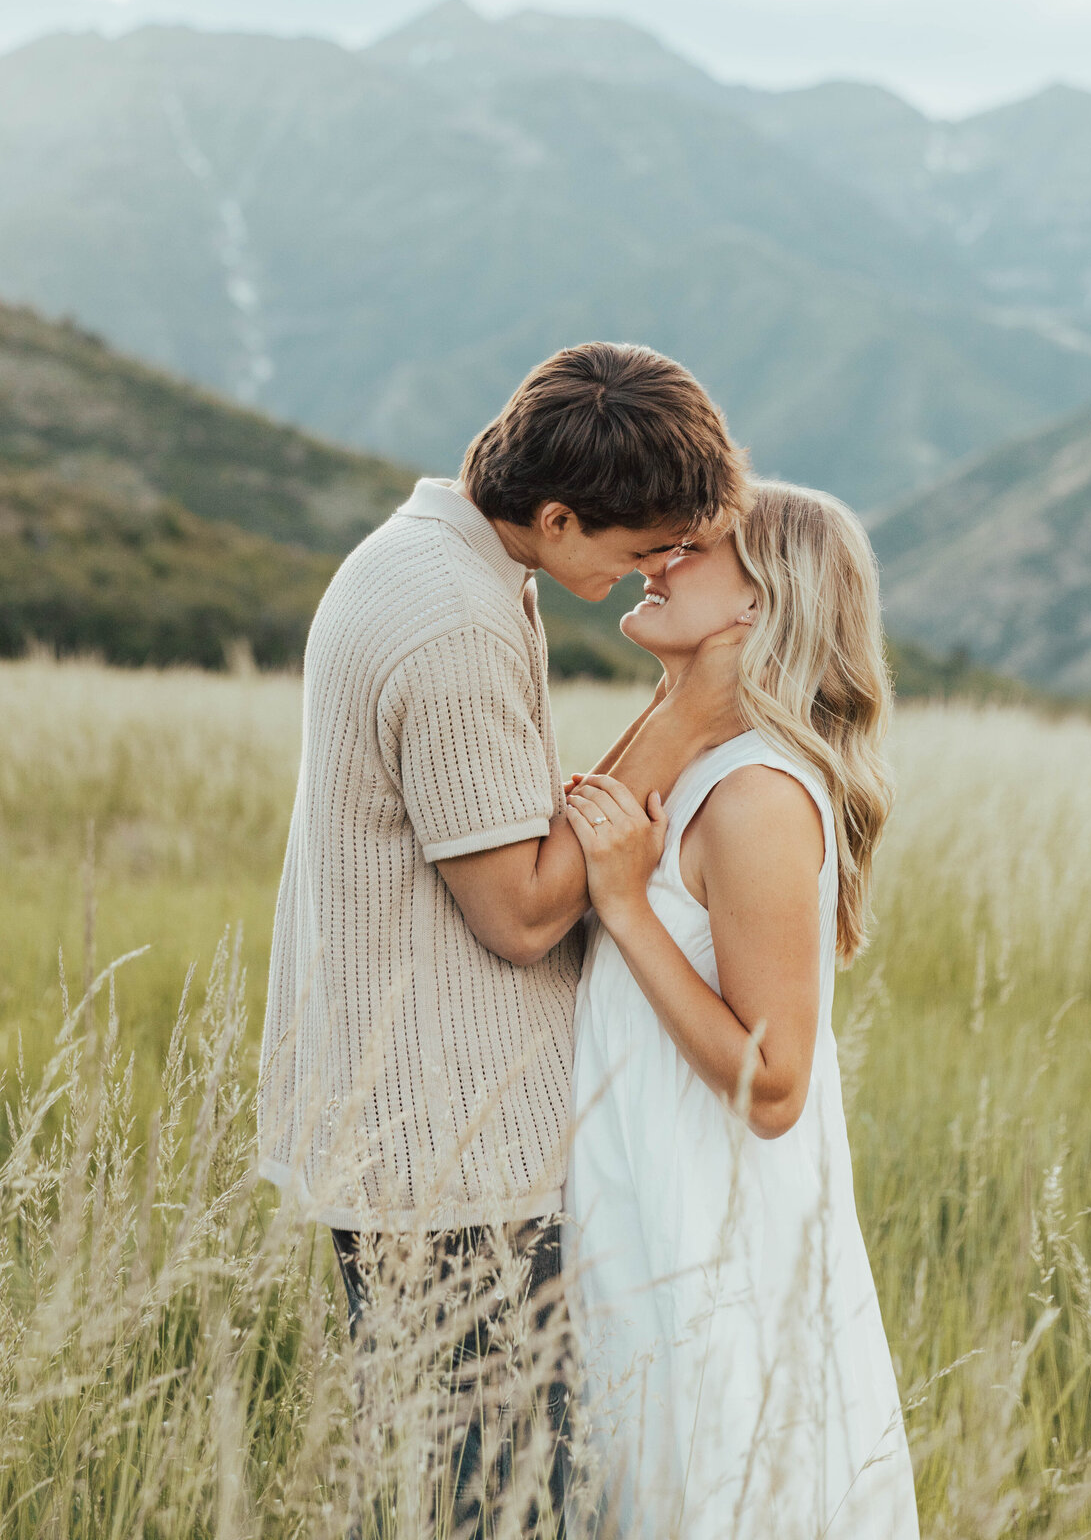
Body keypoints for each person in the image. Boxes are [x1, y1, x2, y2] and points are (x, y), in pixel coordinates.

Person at [256, 343, 750, 1535]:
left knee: (475, 1496)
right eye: (644, 552)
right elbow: (523, 914)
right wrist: (685, 723)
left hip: (435, 1138)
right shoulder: (450, 623)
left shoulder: (450, 568)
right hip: (455, 1162)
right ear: (559, 513)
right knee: (499, 1507)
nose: (661, 571)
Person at [565, 481, 921, 1539]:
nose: (654, 561)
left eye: (691, 551)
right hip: (645, 1208)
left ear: (756, 608)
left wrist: (624, 905)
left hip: (711, 1236)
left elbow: (773, 1087)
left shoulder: (760, 795)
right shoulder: (709, 757)